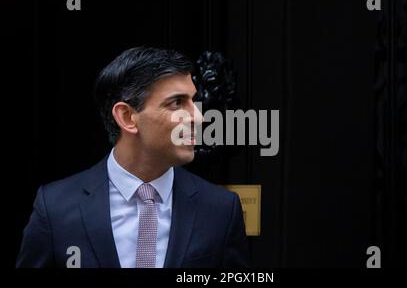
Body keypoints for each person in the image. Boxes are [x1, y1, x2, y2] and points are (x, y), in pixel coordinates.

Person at [16, 46, 250, 268]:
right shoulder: (56, 207)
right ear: (127, 117)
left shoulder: (220, 209)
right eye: (177, 102)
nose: (198, 117)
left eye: (193, 100)